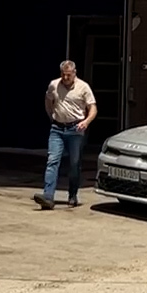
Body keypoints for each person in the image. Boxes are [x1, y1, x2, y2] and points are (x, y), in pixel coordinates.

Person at [36, 60, 96, 211]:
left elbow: (93, 108)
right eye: (63, 74)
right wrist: (52, 117)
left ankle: (73, 194)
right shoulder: (54, 85)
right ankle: (48, 196)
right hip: (57, 128)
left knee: (74, 163)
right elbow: (48, 102)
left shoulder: (83, 87)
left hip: (75, 129)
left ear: (74, 73)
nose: (65, 78)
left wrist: (86, 122)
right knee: (52, 160)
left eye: (68, 75)